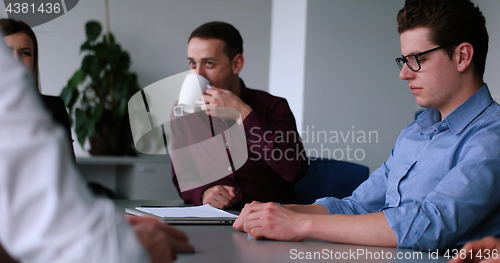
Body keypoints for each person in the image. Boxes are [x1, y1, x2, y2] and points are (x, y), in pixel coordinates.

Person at [234, 0, 500, 251]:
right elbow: (356, 206)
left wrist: (299, 224)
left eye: (417, 58)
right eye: (404, 60)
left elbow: (429, 225)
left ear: (462, 56)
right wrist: (279, 211)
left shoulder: (492, 135)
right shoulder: (415, 132)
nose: (404, 73)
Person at [0, 32, 193, 262]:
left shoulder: (45, 107)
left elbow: (63, 179)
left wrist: (97, 227)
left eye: (25, 52)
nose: (14, 60)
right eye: (7, 51)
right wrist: (111, 243)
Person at [170, 21, 307, 210]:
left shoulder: (273, 107)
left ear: (236, 64)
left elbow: (293, 170)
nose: (197, 74)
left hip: (274, 220)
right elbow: (182, 175)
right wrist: (203, 193)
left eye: (209, 63)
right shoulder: (184, 112)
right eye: (193, 63)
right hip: (215, 220)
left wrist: (243, 114)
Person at [0, 18, 75, 161]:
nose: (16, 60)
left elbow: (66, 168)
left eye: (25, 53)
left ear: (34, 60)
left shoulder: (53, 108)